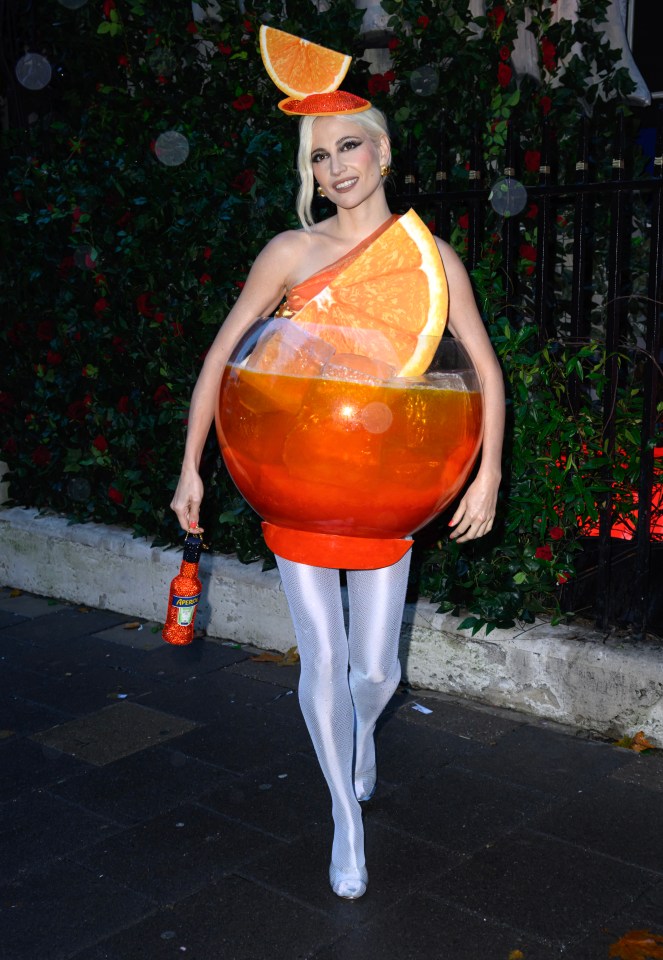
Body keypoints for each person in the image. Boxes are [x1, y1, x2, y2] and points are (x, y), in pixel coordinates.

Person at [171, 35, 505, 902]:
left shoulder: (432, 259)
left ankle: (363, 739)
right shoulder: (289, 252)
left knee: (376, 673)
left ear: (383, 150)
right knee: (320, 660)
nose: (334, 167)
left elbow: (481, 366)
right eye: (319, 157)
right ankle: (343, 821)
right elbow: (222, 358)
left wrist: (487, 473)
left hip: (386, 491)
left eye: (348, 145)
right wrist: (191, 468)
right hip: (296, 483)